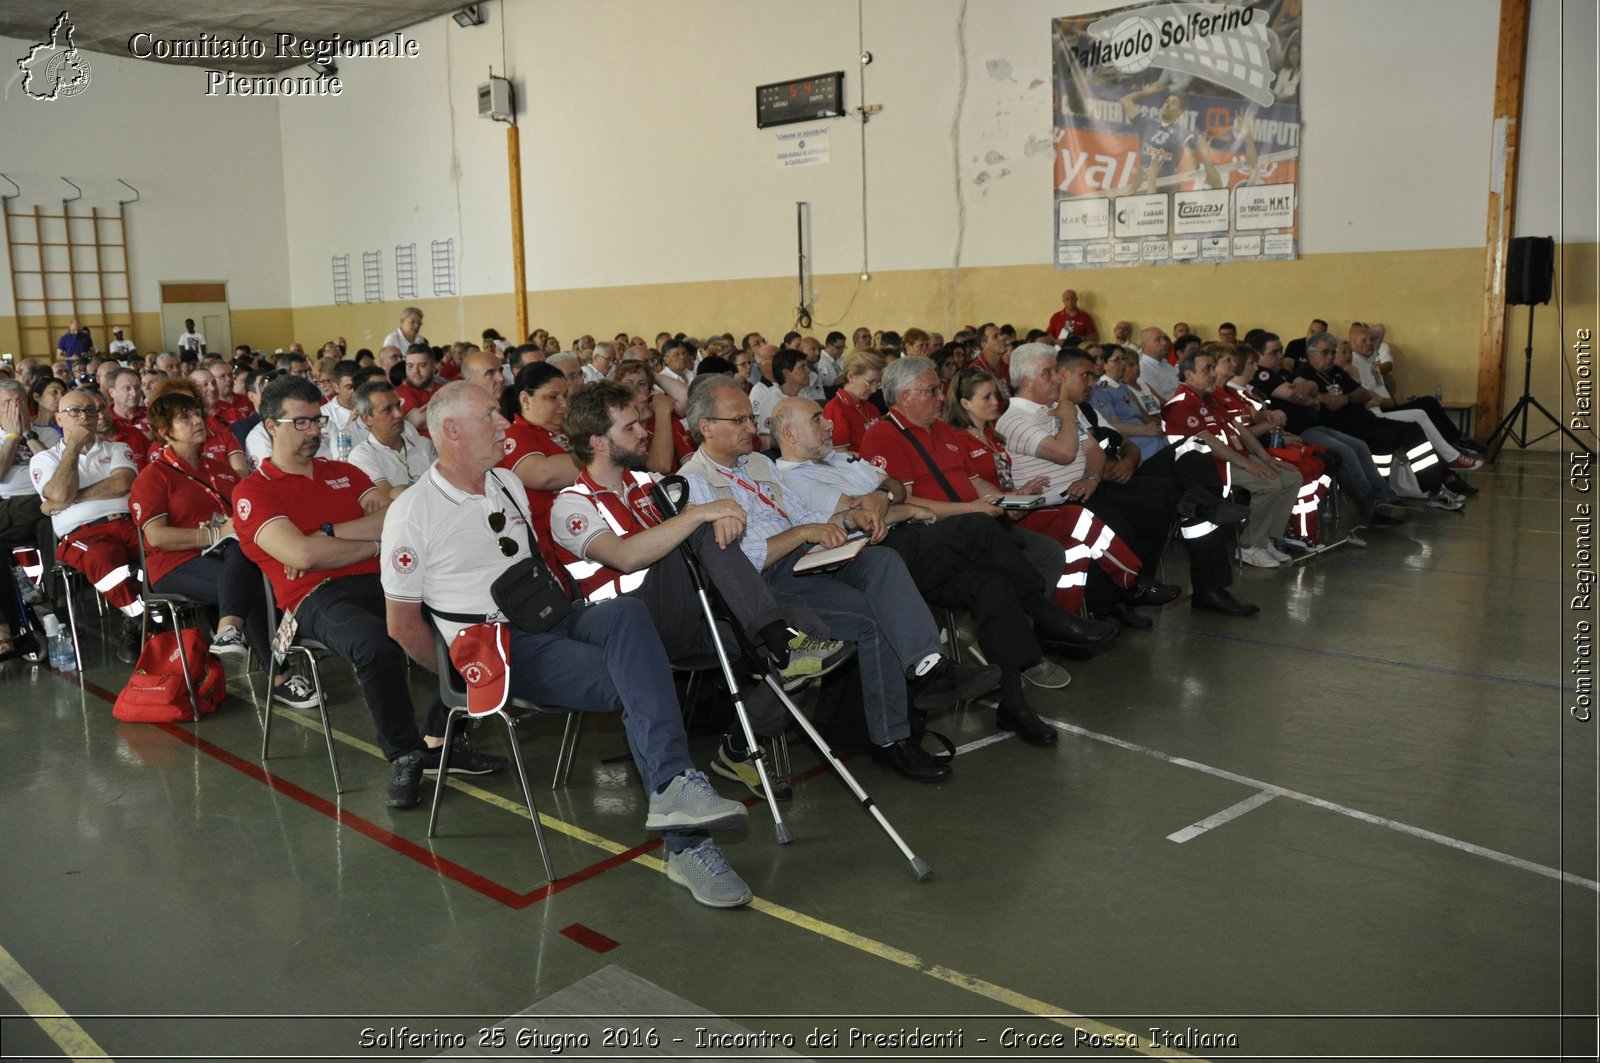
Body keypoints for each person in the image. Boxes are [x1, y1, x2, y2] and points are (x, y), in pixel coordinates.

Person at [382, 382, 755, 907]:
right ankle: (686, 842)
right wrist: (459, 674)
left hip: (550, 616)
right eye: (490, 415)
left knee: (627, 613)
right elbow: (402, 626)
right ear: (451, 430)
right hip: (496, 647)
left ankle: (675, 795)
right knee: (637, 678)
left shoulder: (505, 482)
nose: (502, 425)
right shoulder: (412, 512)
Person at [679, 376, 1000, 782]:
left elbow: (803, 518)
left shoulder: (758, 464)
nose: (751, 427)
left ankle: (929, 668)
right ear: (706, 426)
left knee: (882, 561)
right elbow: (733, 562)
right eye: (739, 420)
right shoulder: (694, 483)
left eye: (751, 417)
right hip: (764, 586)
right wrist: (803, 534)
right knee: (871, 620)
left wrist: (849, 519)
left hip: (808, 560)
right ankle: (892, 741)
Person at [549, 380, 845, 799]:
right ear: (598, 441)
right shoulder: (572, 504)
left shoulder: (649, 482)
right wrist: (704, 515)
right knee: (702, 531)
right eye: (631, 427)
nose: (643, 432)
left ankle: (741, 744)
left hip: (689, 615)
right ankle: (779, 639)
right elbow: (626, 557)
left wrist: (714, 516)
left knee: (812, 632)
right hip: (630, 628)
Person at [777, 395, 1122, 746]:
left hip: (910, 547)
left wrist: (885, 496)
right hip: (874, 559)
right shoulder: (793, 479)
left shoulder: (841, 458)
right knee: (975, 526)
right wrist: (903, 509)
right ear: (789, 434)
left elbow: (894, 485)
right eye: (817, 420)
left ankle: (1015, 705)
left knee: (994, 585)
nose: (829, 424)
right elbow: (862, 519)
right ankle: (1041, 609)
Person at [235, 375, 507, 809]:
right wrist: (371, 541)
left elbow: (396, 519)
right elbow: (303, 555)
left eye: (317, 421)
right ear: (271, 426)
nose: (314, 432)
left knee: (466, 622)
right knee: (375, 645)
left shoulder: (344, 472)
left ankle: (438, 738)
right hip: (317, 596)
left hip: (386, 580)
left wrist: (341, 540)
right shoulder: (253, 491)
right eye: (300, 423)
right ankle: (406, 754)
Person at [999, 345, 1257, 618]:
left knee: (1193, 449)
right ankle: (1130, 593)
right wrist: (1094, 467)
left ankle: (1201, 506)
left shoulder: (1069, 409)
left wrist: (1112, 467)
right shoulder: (1042, 414)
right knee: (1158, 508)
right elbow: (1065, 453)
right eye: (1083, 376)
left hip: (1110, 477)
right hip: (1076, 495)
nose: (1092, 381)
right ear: (1029, 380)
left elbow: (1109, 447)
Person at [938, 360, 1176, 627]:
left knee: (1075, 550)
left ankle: (1067, 622)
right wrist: (1014, 496)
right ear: (965, 403)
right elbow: (974, 484)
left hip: (1016, 507)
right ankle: (1130, 580)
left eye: (996, 394)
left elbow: (1004, 481)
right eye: (987, 397)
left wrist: (1022, 491)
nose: (996, 401)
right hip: (994, 518)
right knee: (1076, 517)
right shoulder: (959, 440)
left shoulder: (993, 435)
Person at [128, 386, 314, 705]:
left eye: (197, 414)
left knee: (262, 569)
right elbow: (156, 536)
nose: (197, 421)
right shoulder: (154, 476)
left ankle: (231, 631)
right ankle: (278, 675)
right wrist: (213, 536)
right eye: (184, 418)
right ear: (163, 432)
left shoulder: (220, 471)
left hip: (231, 556)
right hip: (176, 564)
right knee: (255, 585)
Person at [29, 389, 145, 662]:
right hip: (82, 533)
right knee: (102, 558)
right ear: (59, 418)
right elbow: (56, 493)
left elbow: (122, 483)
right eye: (75, 411)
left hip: (127, 524)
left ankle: (148, 617)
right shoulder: (43, 459)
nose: (84, 416)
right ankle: (141, 620)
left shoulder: (117, 448)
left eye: (90, 411)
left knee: (159, 550)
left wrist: (70, 498)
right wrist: (72, 447)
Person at [1162, 346, 1303, 569]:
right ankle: (1249, 546)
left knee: (1291, 477)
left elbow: (1239, 430)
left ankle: (1266, 539)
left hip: (1230, 459)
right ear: (1188, 375)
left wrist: (1266, 459)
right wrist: (1248, 465)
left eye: (1212, 367)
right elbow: (1211, 442)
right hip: (1207, 467)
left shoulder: (1209, 399)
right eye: (1207, 368)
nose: (1212, 373)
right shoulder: (1181, 404)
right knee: (1269, 484)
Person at [498, 363, 580, 541]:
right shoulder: (515, 434)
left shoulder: (569, 430)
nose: (564, 404)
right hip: (546, 540)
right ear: (525, 400)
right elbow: (544, 475)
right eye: (553, 397)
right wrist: (603, 456)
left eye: (565, 396)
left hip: (579, 528)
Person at [1119, 84, 1221, 193]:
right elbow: (1124, 101)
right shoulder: (1147, 123)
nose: (1167, 104)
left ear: (1180, 110)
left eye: (1173, 103)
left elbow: (1191, 166)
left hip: (1167, 190)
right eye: (1167, 101)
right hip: (1144, 186)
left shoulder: (1185, 134)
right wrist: (1145, 93)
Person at [347, 379, 436, 502]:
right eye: (387, 410)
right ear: (367, 419)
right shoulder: (361, 456)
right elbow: (389, 501)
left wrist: (401, 490)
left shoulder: (423, 444)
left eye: (398, 405)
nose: (399, 414)